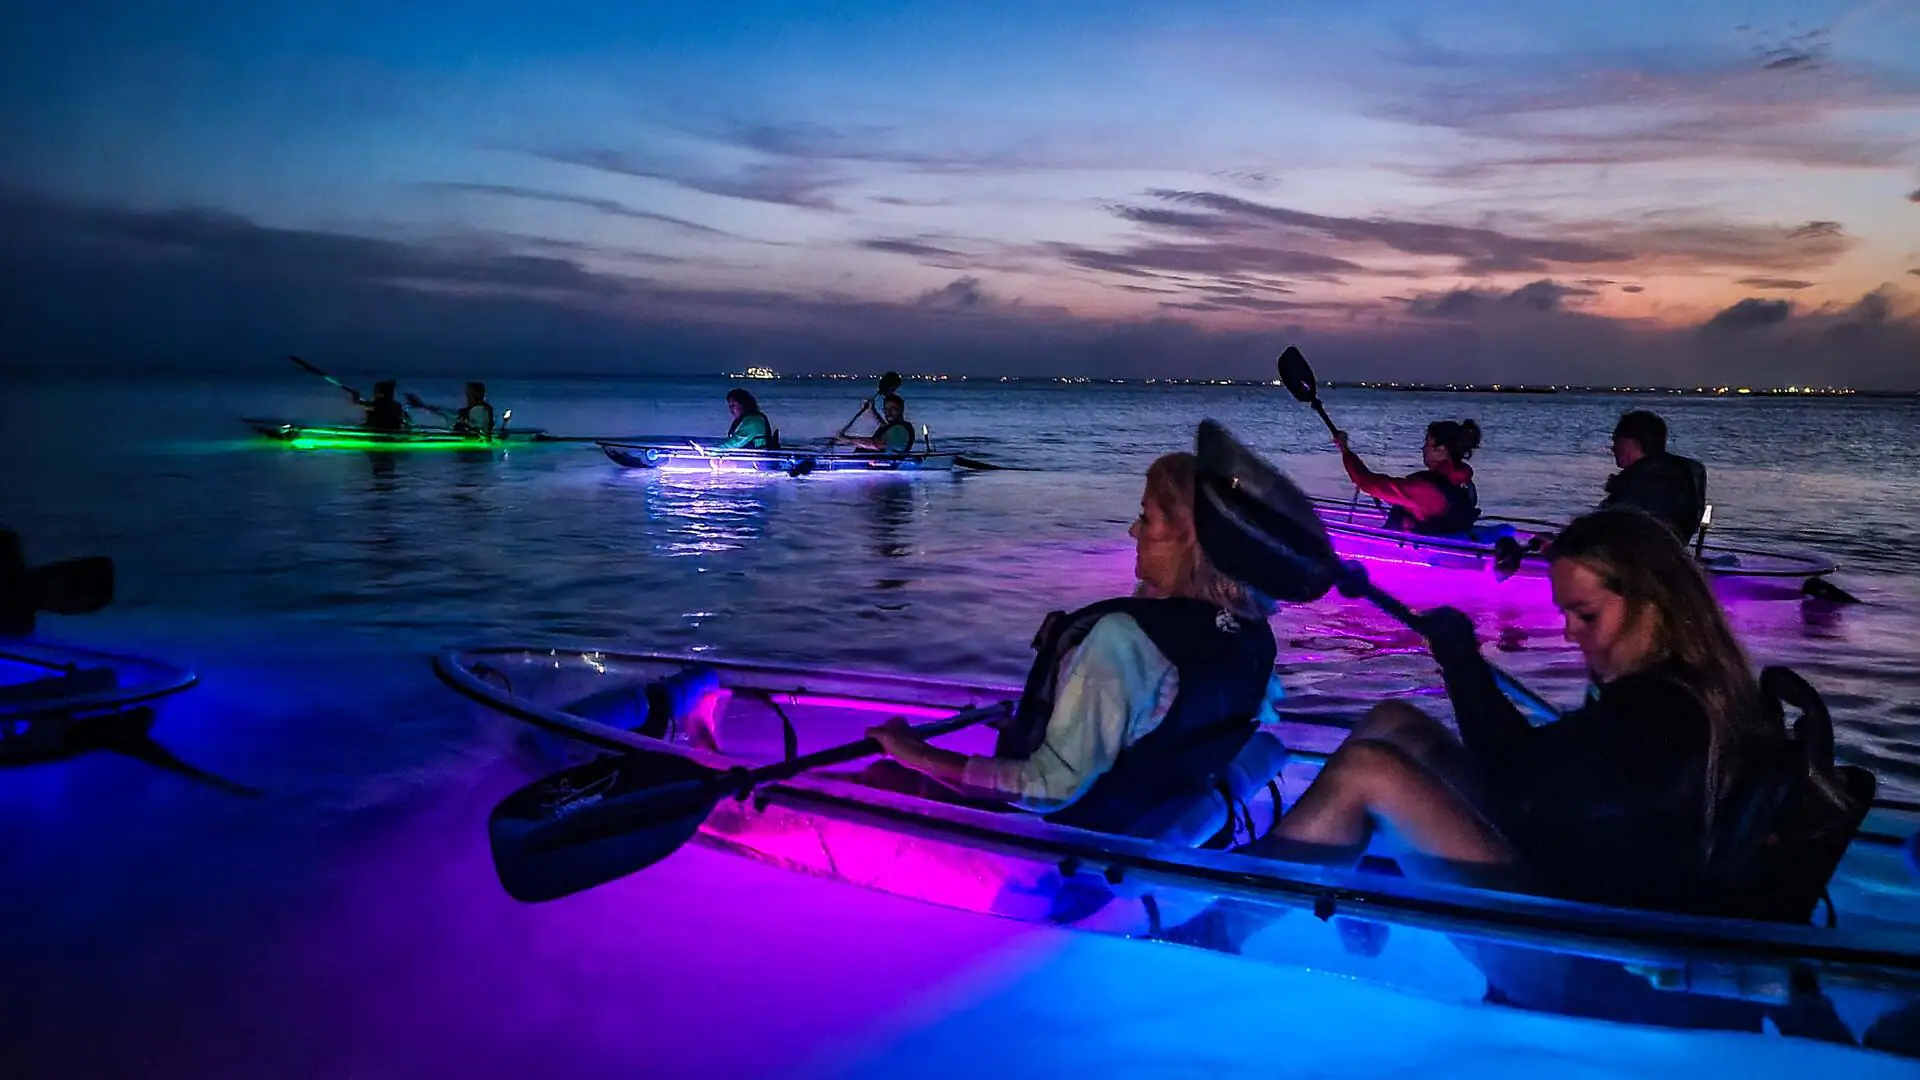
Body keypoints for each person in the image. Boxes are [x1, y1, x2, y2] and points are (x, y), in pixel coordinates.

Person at [1241, 506, 1847, 914]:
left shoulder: (1663, 713)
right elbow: (1544, 775)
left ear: (1654, 604)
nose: (1569, 633)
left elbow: (1516, 778)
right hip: (1569, 864)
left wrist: (1462, 662)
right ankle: (1343, 881)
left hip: (1588, 944)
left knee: (1370, 768)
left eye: (1585, 615)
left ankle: (1224, 918)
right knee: (1397, 724)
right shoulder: (1679, 689)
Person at [863, 451, 1286, 842]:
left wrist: (915, 752)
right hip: (1154, 821)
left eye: (1147, 517)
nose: (1134, 530)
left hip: (1070, 848)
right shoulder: (1252, 634)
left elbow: (1048, 788)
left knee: (881, 778)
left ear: (1188, 537)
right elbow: (1171, 721)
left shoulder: (1124, 638)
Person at [1333, 420, 1482, 535]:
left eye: (1427, 444)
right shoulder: (1465, 482)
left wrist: (1345, 450)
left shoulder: (1426, 489)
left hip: (1416, 552)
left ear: (1441, 449)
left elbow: (1366, 482)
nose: (1423, 449)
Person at [1601, 410, 1707, 543]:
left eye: (1616, 439)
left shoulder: (1643, 485)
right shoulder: (1683, 475)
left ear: (1630, 442)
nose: (1613, 448)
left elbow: (1618, 532)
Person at [833, 393, 915, 454]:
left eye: (893, 408)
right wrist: (872, 409)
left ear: (901, 410)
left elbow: (876, 444)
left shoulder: (899, 430)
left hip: (882, 467)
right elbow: (884, 426)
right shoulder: (894, 427)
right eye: (886, 409)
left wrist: (847, 438)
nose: (888, 412)